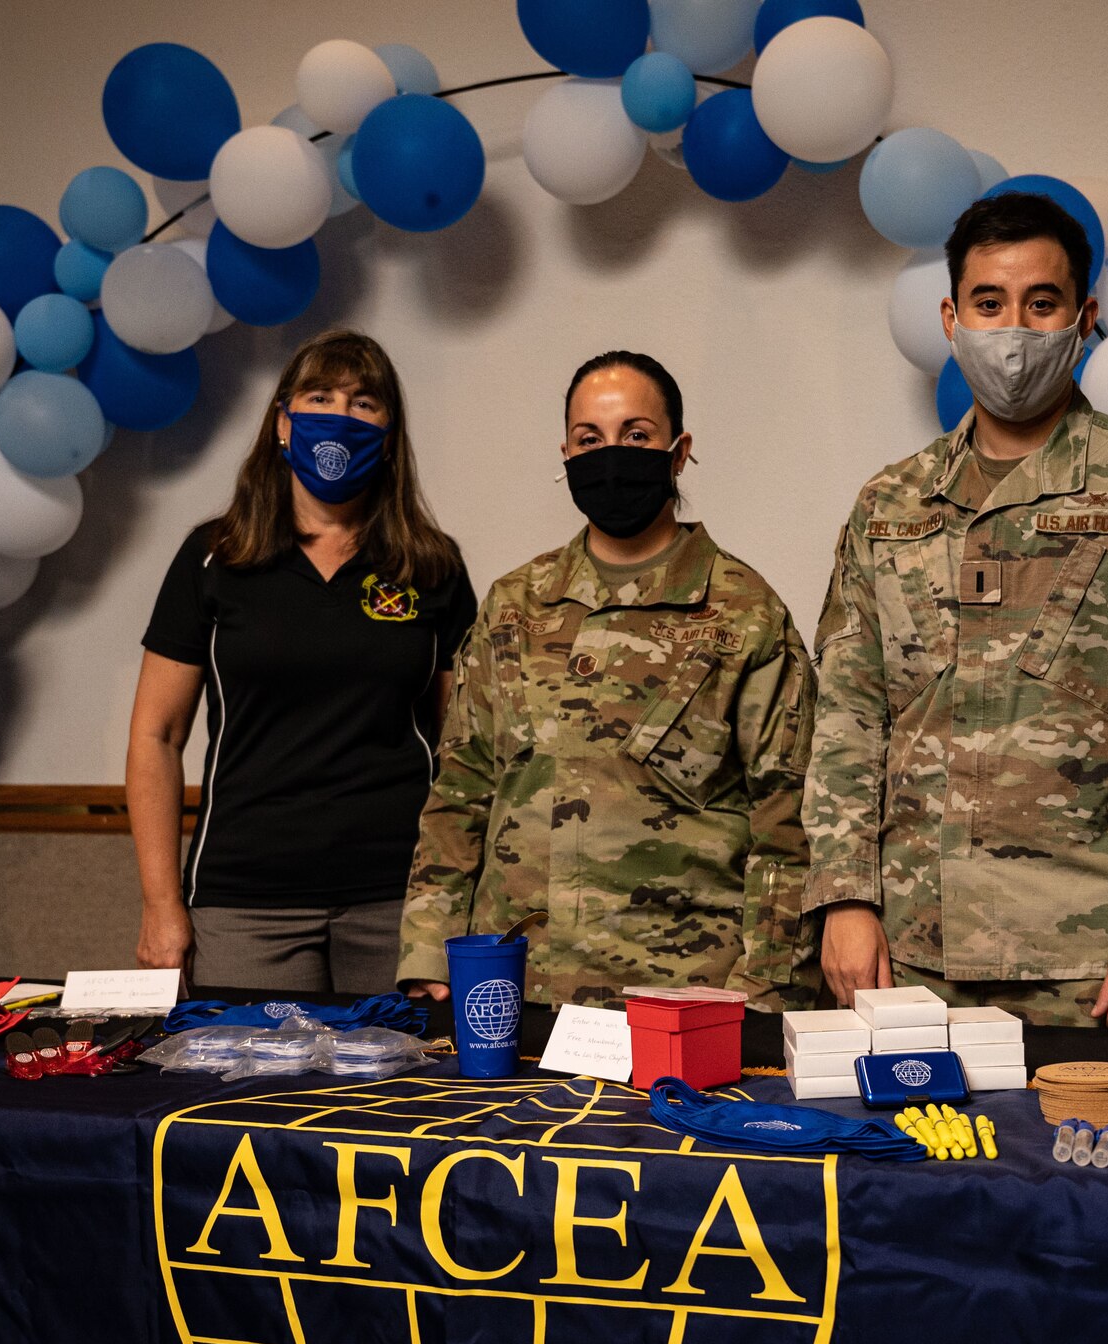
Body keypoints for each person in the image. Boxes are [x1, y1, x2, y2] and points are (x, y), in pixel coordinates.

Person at [804, 192, 1108, 1029]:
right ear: (951, 317)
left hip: (1091, 957)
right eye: (989, 303)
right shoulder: (889, 503)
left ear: (1084, 318)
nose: (1012, 329)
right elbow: (847, 716)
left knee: (1084, 1161)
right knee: (905, 1160)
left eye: (1040, 303)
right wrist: (844, 896)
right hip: (904, 952)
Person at [397, 351, 818, 1009]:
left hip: (682, 1003)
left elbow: (787, 826)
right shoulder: (514, 605)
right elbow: (461, 789)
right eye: (590, 439)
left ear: (679, 452)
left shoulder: (744, 612)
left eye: (636, 435)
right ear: (564, 453)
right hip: (514, 997)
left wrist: (765, 994)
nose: (610, 455)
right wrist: (430, 947)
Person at [127, 330, 475, 992]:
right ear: (282, 423)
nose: (339, 416)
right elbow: (156, 735)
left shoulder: (432, 565)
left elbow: (466, 750)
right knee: (250, 1095)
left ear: (391, 431)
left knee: (400, 1096)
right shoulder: (214, 557)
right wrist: (160, 902)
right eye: (320, 396)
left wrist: (454, 903)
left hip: (399, 900)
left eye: (364, 402)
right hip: (244, 899)